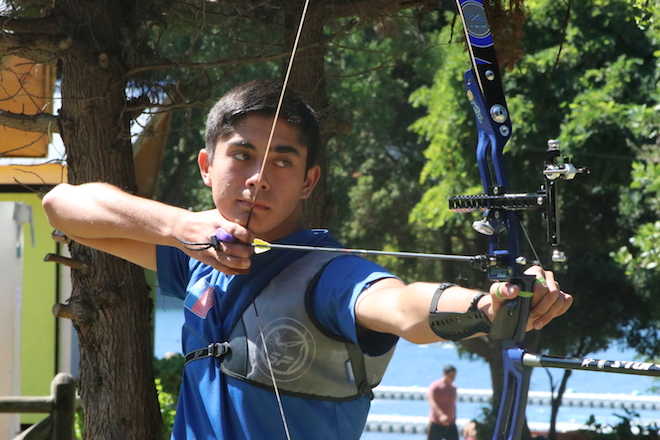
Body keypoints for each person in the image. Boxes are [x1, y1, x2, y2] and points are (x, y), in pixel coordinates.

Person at [42, 80, 572, 440]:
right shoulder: (201, 252)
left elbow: (402, 307)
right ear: (207, 165)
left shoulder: (331, 275)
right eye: (242, 155)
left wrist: (487, 305)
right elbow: (63, 208)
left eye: (282, 160)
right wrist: (180, 228)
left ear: (308, 181)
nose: (258, 178)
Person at [427, 365, 458, 440]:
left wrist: (454, 416)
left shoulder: (453, 388)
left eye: (454, 376)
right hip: (436, 423)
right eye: (451, 376)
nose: (453, 378)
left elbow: (453, 405)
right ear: (445, 374)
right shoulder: (435, 386)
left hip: (450, 423)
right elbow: (431, 402)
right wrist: (441, 415)